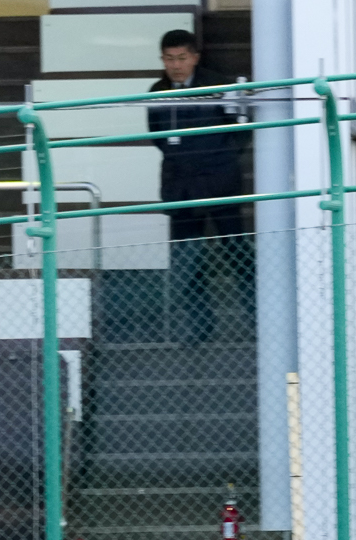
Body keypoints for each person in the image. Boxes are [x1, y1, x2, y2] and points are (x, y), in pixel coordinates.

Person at [149, 29, 249, 343]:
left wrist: (223, 157)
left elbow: (243, 130)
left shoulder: (220, 86)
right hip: (181, 187)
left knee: (237, 253)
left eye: (181, 58)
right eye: (169, 59)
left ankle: (259, 321)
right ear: (162, 59)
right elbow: (157, 136)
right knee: (187, 260)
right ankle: (200, 329)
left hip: (221, 183)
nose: (175, 65)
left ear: (195, 56)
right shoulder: (157, 90)